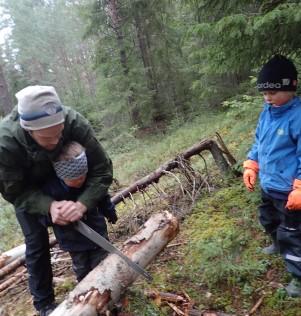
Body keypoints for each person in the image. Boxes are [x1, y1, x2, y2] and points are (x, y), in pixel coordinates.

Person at [0, 86, 113, 316]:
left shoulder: (74, 122)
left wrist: (82, 203)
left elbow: (102, 169)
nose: (56, 140)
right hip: (29, 190)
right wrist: (48, 206)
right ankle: (44, 305)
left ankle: (100, 282)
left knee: (84, 225)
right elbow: (13, 191)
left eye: (59, 132)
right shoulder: (6, 143)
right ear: (28, 130)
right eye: (46, 137)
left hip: (65, 176)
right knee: (36, 243)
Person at [243, 55, 301, 297]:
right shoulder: (267, 112)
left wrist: (299, 188)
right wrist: (251, 165)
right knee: (268, 218)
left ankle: (298, 277)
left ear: (291, 86)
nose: (268, 97)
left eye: (273, 93)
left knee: (293, 234)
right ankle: (277, 244)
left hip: (290, 191)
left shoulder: (297, 117)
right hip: (269, 185)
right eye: (264, 93)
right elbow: (259, 142)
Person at [42, 141, 117, 282]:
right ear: (61, 176)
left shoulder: (89, 182)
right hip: (72, 240)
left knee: (104, 264)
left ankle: (111, 292)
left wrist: (109, 211)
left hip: (97, 230)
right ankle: (87, 295)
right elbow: (43, 216)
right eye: (74, 179)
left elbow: (101, 196)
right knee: (82, 270)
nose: (79, 181)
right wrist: (54, 217)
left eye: (83, 176)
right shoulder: (51, 191)